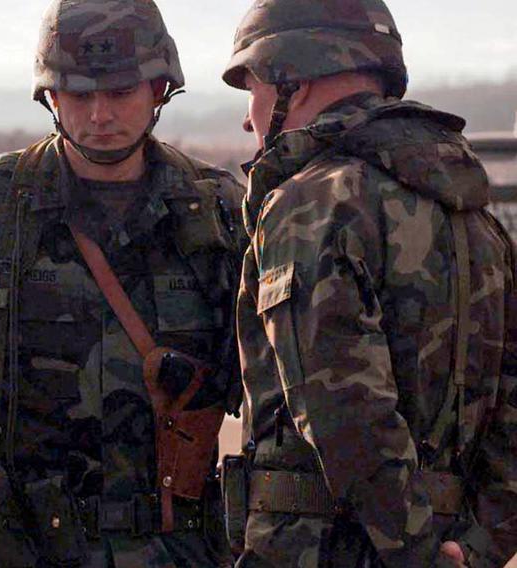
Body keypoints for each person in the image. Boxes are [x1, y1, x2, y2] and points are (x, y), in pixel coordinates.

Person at [0, 1, 246, 566]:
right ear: (50, 97)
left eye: (121, 92)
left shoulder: (220, 210)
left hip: (181, 545)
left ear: (159, 90)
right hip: (21, 546)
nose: (100, 113)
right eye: (80, 94)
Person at [220, 0, 517, 566]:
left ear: (295, 81)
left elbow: (342, 411)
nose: (249, 116)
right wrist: (478, 546)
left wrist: (414, 551)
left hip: (328, 548)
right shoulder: (476, 217)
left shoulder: (312, 204)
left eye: (254, 88)